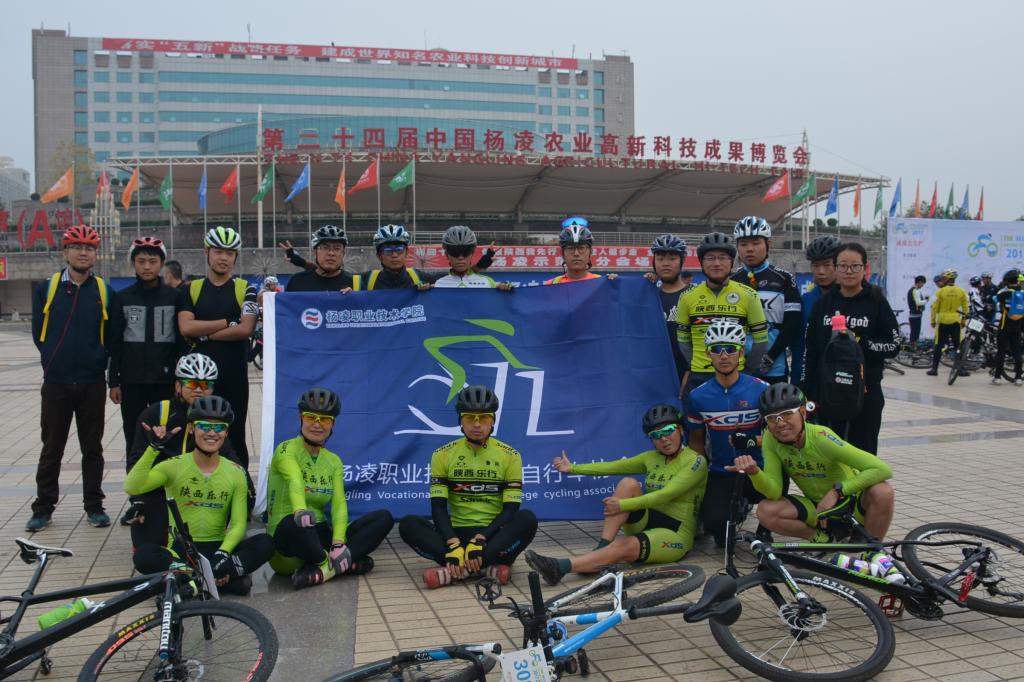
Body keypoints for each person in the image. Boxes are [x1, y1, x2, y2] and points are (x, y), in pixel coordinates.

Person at [524, 404, 707, 586]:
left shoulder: (695, 461)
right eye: (655, 435)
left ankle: (559, 567)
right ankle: (602, 549)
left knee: (623, 545)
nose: (664, 439)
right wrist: (572, 468)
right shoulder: (652, 457)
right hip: (648, 520)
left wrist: (622, 505)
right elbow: (612, 466)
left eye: (668, 430)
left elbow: (666, 495)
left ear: (680, 429)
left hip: (674, 534)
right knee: (628, 484)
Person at [127, 396, 273, 595]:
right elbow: (132, 487)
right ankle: (218, 579)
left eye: (219, 427)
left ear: (226, 432)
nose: (212, 433)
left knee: (265, 543)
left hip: (219, 548)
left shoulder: (236, 472)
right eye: (204, 426)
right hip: (181, 550)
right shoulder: (172, 466)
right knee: (143, 555)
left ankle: (193, 580)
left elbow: (239, 525)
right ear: (191, 428)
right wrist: (153, 449)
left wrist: (222, 554)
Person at [398, 385, 537, 589]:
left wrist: (481, 539)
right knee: (408, 524)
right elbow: (438, 508)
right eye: (470, 418)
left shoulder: (511, 455)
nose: (477, 424)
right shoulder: (442, 454)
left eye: (484, 418)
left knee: (528, 519)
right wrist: (453, 543)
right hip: (457, 533)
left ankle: (455, 571)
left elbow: (510, 510)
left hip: (493, 535)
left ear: (493, 421)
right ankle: (484, 568)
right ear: (460, 421)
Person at [28, 224, 115, 531]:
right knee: (51, 448)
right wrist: (51, 361)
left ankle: (94, 506)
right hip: (57, 383)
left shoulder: (103, 291)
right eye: (76, 247)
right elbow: (39, 333)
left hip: (92, 382)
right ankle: (43, 508)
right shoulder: (47, 288)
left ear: (95, 254)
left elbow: (111, 336)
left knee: (92, 448)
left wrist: (99, 361)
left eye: (89, 248)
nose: (83, 252)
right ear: (65, 252)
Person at [728, 384, 895, 543]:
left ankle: (872, 551)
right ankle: (823, 540)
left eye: (787, 414)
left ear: (802, 412)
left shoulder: (822, 437)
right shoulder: (770, 439)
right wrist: (755, 473)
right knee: (766, 510)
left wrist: (837, 491)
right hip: (818, 509)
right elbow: (774, 492)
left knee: (883, 491)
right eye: (772, 418)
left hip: (850, 503)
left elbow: (882, 469)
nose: (780, 423)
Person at [267, 388, 394, 588]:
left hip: (320, 537)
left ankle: (324, 570)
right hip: (290, 539)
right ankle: (342, 563)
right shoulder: (285, 449)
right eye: (311, 417)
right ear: (301, 418)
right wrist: (299, 510)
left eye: (325, 420)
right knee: (297, 524)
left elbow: (339, 504)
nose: (317, 424)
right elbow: (295, 480)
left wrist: (338, 543)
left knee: (383, 518)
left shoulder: (333, 461)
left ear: (333, 424)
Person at [122, 353, 250, 544]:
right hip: (160, 491)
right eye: (192, 383)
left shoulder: (213, 419)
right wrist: (138, 500)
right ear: (177, 386)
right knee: (148, 549)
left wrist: (248, 491)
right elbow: (135, 462)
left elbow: (231, 458)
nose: (199, 390)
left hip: (198, 491)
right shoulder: (157, 413)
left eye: (205, 385)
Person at [802, 243, 899, 455]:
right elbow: (811, 351)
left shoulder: (876, 301)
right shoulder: (823, 304)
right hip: (829, 393)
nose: (848, 271)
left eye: (855, 266)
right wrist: (808, 391)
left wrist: (861, 342)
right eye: (843, 266)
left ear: (865, 268)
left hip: (866, 393)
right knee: (830, 454)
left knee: (863, 453)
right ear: (835, 268)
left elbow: (893, 345)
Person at [176, 226, 258, 468]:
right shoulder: (191, 289)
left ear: (235, 257)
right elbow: (186, 327)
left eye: (229, 253)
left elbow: (246, 329)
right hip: (200, 380)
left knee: (235, 434)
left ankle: (241, 485)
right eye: (218, 252)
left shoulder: (246, 288)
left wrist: (205, 335)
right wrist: (226, 322)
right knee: (198, 433)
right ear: (207, 252)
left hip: (235, 377)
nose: (224, 258)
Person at [685, 319, 768, 547]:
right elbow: (696, 442)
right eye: (717, 349)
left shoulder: (761, 389)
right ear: (708, 354)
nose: (724, 356)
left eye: (730, 349)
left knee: (776, 498)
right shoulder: (697, 396)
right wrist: (698, 478)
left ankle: (764, 526)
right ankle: (735, 509)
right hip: (722, 471)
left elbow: (778, 437)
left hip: (759, 468)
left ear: (740, 352)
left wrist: (752, 442)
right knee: (717, 529)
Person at [108, 237, 181, 454]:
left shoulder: (175, 297)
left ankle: (164, 474)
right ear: (133, 263)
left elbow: (180, 342)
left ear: (162, 263)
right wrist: (114, 382)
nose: (147, 266)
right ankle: (135, 475)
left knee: (168, 435)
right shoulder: (122, 298)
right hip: (132, 381)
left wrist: (180, 379)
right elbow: (115, 342)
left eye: (152, 261)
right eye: (141, 261)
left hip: (165, 381)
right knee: (134, 435)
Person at [676, 232, 768, 396]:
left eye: (723, 257)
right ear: (701, 262)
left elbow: (761, 341)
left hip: (737, 374)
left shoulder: (749, 295)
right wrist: (697, 364)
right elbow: (683, 341)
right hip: (700, 376)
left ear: (732, 261)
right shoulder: (687, 297)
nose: (717, 263)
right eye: (710, 258)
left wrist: (746, 370)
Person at [731, 216, 801, 384]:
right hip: (738, 368)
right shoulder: (731, 280)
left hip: (774, 368)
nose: (750, 249)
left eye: (756, 243)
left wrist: (771, 356)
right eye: (743, 244)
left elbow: (792, 323)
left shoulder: (784, 279)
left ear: (768, 244)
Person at [791, 235, 841, 383]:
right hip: (810, 377)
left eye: (827, 265)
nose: (821, 271)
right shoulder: (806, 300)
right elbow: (798, 345)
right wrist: (797, 381)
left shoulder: (851, 299)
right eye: (815, 265)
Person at [643, 233, 690, 381]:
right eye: (660, 258)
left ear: (682, 261)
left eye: (672, 258)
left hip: (689, 377)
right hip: (654, 377)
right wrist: (614, 284)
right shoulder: (647, 297)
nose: (665, 263)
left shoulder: (694, 296)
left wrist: (690, 375)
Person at [283, 225, 362, 292]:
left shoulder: (355, 284)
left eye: (337, 248)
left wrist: (354, 298)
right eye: (325, 247)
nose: (331, 253)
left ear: (343, 253)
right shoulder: (297, 282)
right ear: (315, 252)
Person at [433, 225, 512, 290]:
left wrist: (507, 287)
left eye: (466, 251)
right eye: (455, 252)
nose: (460, 257)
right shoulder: (437, 284)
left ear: (472, 253)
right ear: (447, 255)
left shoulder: (488, 282)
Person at [360, 224, 436, 290]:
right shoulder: (366, 281)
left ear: (406, 253)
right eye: (388, 251)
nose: (394, 255)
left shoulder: (421, 278)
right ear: (379, 256)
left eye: (399, 250)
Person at [544, 216, 618, 285]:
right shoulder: (550, 285)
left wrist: (615, 284)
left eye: (581, 248)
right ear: (562, 253)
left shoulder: (602, 283)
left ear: (590, 252)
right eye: (570, 248)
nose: (576, 253)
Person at [927, 269, 969, 377]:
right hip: (955, 321)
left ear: (947, 279)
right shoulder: (961, 291)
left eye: (944, 278)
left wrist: (932, 320)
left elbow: (934, 307)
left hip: (942, 321)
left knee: (939, 345)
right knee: (957, 345)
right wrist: (963, 320)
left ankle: (934, 369)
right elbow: (965, 307)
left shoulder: (940, 292)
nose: (943, 279)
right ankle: (961, 369)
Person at [991, 269, 1024, 386]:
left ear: (1007, 281)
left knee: (1001, 351)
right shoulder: (1022, 293)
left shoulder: (1004, 293)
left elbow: (994, 299)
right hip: (1018, 326)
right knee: (1017, 352)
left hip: (1005, 326)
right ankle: (1018, 378)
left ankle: (997, 377)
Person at [906, 275, 929, 343]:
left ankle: (913, 345)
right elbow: (918, 303)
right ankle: (913, 346)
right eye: (922, 283)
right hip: (915, 315)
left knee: (914, 333)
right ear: (919, 282)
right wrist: (926, 300)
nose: (922, 285)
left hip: (914, 315)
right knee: (915, 333)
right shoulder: (915, 290)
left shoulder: (913, 290)